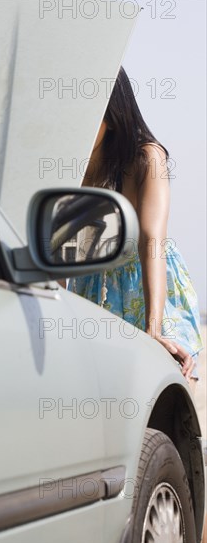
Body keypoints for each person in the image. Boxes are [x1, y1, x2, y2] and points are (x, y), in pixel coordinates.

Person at [67, 67, 204, 391]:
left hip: (150, 284)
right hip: (93, 285)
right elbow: (62, 246)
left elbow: (152, 239)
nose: (80, 124)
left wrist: (153, 325)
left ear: (112, 115)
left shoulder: (146, 157)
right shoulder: (72, 160)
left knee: (168, 381)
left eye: (90, 113)